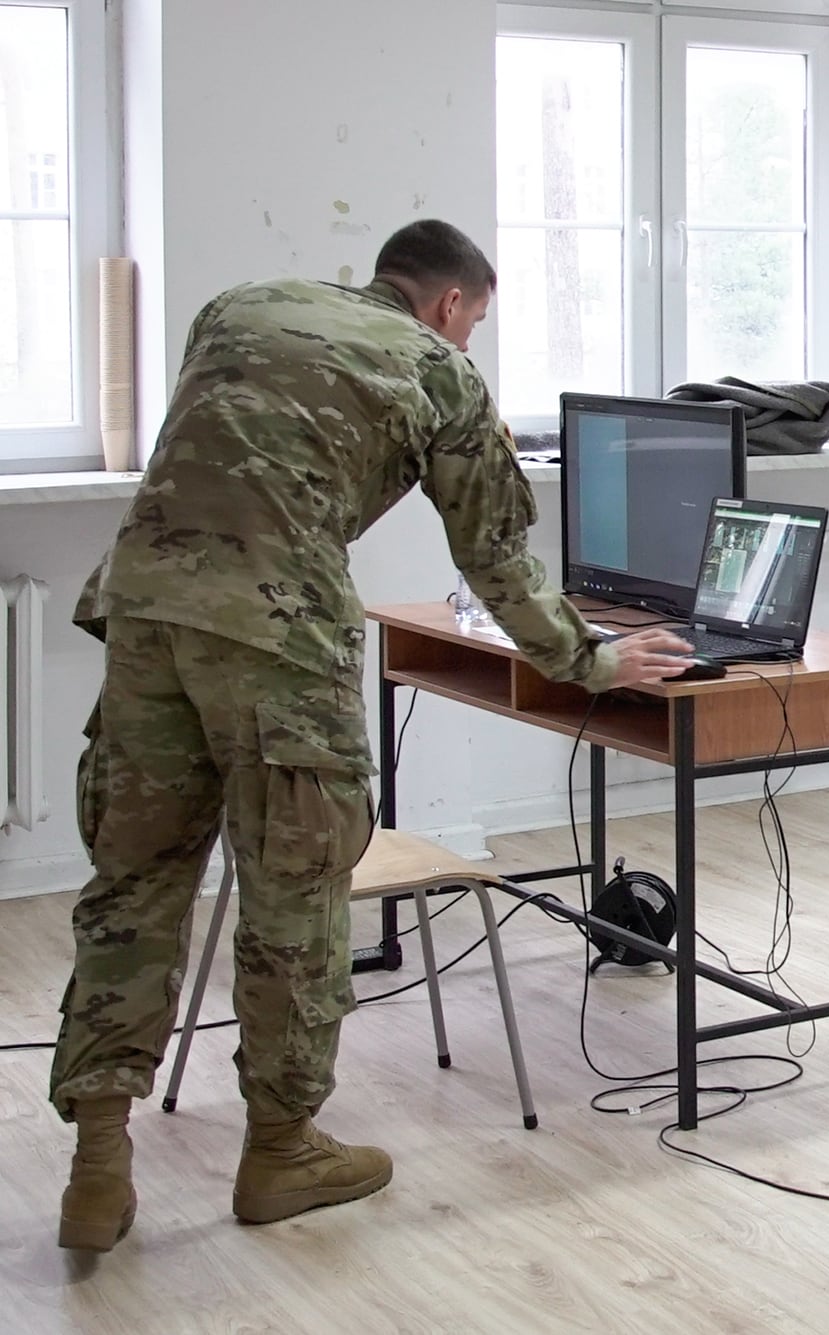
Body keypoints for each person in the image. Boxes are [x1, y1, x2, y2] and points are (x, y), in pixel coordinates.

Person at [49, 219, 695, 1251]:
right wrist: (592, 661)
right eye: (474, 323)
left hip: (141, 613)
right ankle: (282, 1150)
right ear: (449, 304)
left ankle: (95, 1167)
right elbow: (495, 555)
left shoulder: (239, 305)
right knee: (293, 893)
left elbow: (223, 458)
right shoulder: (436, 370)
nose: (470, 341)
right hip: (277, 634)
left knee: (131, 889)